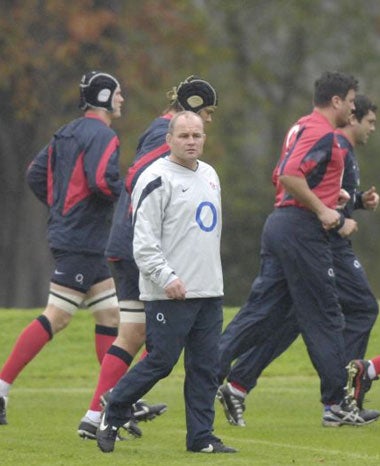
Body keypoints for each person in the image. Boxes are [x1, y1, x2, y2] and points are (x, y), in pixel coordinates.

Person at [215, 70, 368, 430]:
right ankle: (336, 405)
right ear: (335, 102)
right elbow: (288, 173)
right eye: (350, 101)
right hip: (301, 229)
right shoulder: (322, 132)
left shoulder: (301, 126)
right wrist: (322, 208)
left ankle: (208, 367)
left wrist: (335, 195)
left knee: (265, 311)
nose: (352, 107)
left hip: (281, 224)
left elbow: (281, 177)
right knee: (326, 316)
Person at [77, 76, 218, 439]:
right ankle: (102, 411)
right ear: (189, 112)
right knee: (148, 344)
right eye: (206, 114)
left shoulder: (184, 150)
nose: (205, 126)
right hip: (137, 246)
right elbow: (138, 177)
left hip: (134, 246)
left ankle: (99, 415)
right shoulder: (164, 137)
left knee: (134, 333)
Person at [96, 111, 236, 454]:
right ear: (169, 139)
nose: (191, 141)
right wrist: (166, 277)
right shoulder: (156, 178)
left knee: (205, 367)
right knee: (161, 361)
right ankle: (114, 408)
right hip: (168, 293)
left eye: (197, 135)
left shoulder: (210, 175)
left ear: (204, 138)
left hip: (208, 291)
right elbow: (142, 242)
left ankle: (201, 438)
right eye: (184, 135)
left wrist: (212, 280)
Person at [0, 71, 124, 426]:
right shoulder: (104, 135)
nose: (121, 100)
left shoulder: (65, 131)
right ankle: (1, 388)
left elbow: (35, 174)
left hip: (77, 237)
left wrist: (60, 207)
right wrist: (126, 194)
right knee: (58, 316)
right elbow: (103, 180)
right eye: (118, 94)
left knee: (110, 316)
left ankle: (106, 405)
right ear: (103, 97)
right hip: (82, 240)